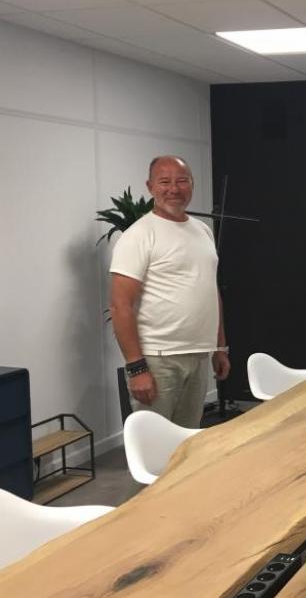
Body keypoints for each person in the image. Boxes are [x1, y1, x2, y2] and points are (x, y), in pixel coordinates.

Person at [109, 155, 230, 428]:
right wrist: (136, 368)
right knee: (155, 449)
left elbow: (210, 291)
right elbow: (120, 305)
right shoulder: (139, 235)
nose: (174, 189)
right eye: (164, 182)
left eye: (182, 181)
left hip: (198, 356)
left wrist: (220, 346)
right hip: (158, 360)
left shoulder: (202, 231)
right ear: (150, 186)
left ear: (192, 185)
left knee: (186, 444)